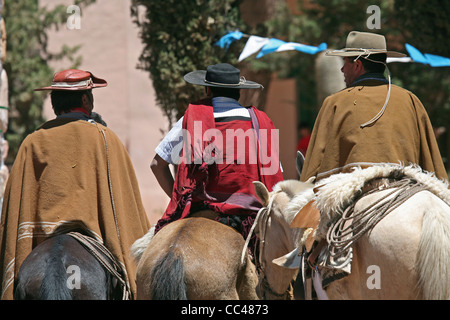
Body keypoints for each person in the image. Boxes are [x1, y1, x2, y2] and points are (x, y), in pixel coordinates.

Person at [0, 69, 150, 299]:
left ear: (54, 102)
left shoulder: (32, 141)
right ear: (84, 99)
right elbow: (126, 209)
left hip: (40, 243)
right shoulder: (105, 138)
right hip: (94, 240)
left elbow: (14, 210)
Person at [150, 63, 283, 251]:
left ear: (208, 90)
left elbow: (157, 164)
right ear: (238, 92)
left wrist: (179, 200)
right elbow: (274, 178)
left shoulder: (190, 118)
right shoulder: (261, 122)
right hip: (251, 224)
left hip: (202, 213)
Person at [300, 31, 448, 183]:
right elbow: (432, 166)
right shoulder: (410, 100)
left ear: (357, 65)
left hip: (352, 191)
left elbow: (314, 168)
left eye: (345, 63)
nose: (342, 69)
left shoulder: (334, 103)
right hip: (406, 185)